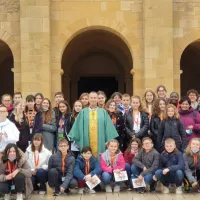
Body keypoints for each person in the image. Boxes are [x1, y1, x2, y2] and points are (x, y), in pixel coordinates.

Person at [69, 92, 118, 157]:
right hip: (86, 140)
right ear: (88, 99)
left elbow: (108, 128)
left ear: (98, 99)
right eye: (91, 98)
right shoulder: (83, 112)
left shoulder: (103, 112)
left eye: (95, 98)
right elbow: (77, 127)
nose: (93, 99)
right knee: (86, 155)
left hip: (100, 141)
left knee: (99, 159)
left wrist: (107, 141)